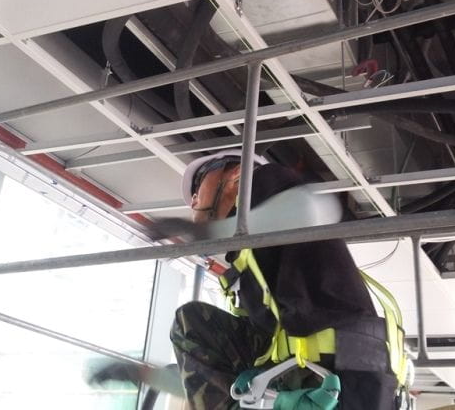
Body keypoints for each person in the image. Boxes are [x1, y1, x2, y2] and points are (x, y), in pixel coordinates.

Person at [170, 149, 404, 410]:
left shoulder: (266, 181)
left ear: (236, 175)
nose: (193, 200)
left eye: (199, 183)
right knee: (195, 322)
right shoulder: (253, 256)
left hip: (343, 377)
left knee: (192, 323)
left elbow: (309, 207)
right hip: (330, 375)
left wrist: (207, 230)